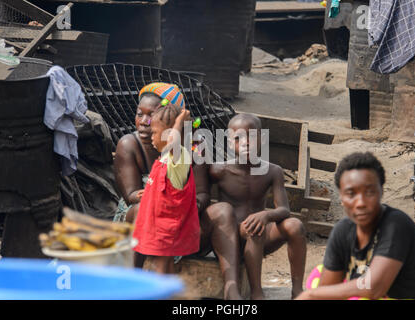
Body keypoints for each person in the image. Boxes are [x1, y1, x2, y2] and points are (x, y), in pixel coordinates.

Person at [296, 152, 415, 300]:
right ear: (341, 198)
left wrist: (310, 294)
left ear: (381, 192)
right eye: (351, 194)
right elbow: (326, 291)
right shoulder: (343, 231)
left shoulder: (396, 225)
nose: (361, 203)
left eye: (369, 192)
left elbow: (373, 288)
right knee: (318, 277)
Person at [197, 113, 307, 300]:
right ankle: (256, 293)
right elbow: (202, 193)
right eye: (238, 138)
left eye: (251, 136)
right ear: (229, 143)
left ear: (262, 139)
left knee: (295, 225)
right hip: (229, 237)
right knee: (253, 229)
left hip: (261, 236)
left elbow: (284, 210)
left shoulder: (273, 171)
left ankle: (298, 290)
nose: (246, 142)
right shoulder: (219, 170)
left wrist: (266, 215)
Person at [114, 82, 186, 267]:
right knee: (143, 210)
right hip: (138, 215)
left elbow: (201, 193)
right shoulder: (129, 144)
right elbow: (131, 196)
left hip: (176, 214)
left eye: (151, 115)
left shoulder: (190, 146)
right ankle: (132, 279)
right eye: (140, 114)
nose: (144, 121)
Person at [131, 102, 200, 274]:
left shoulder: (180, 156)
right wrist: (148, 193)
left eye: (155, 133)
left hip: (167, 227)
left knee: (159, 266)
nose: (151, 137)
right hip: (159, 224)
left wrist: (179, 121)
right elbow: (166, 187)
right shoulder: (165, 159)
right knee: (165, 264)